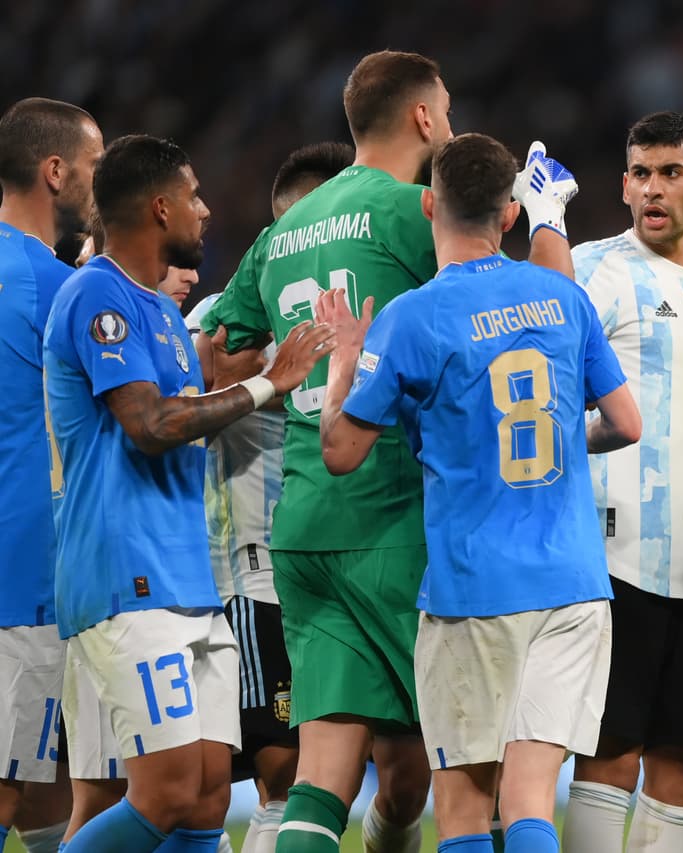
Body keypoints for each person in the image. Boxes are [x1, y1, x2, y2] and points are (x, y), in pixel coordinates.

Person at [201, 50, 574, 853]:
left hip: (304, 524)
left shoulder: (281, 232)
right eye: (446, 107)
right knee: (474, 771)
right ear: (424, 119)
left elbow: (213, 358)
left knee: (322, 774)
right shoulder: (416, 211)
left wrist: (296, 373)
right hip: (402, 526)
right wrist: (547, 220)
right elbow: (538, 307)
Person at [318, 129, 639, 853]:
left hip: (474, 588)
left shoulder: (412, 316)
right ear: (511, 215)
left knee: (463, 805)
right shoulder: (562, 297)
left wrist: (344, 363)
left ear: (430, 203)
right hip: (574, 585)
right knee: (530, 800)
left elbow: (340, 451)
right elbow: (625, 421)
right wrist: (556, 438)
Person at [44, 133, 335, 853]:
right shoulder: (97, 295)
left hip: (188, 580)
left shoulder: (169, 318)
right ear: (160, 207)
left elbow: (189, 421)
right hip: (125, 576)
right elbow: (149, 424)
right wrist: (268, 382)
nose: (207, 211)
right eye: (195, 196)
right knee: (167, 789)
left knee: (207, 798)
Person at [562, 111, 683, 853]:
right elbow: (545, 397)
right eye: (640, 172)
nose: (652, 188)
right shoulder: (590, 269)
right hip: (612, 555)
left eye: (670, 172)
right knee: (610, 752)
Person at [185, 140, 354, 853]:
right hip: (257, 582)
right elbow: (191, 377)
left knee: (326, 774)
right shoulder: (223, 315)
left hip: (338, 570)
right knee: (279, 775)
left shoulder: (364, 304)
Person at [0, 96, 103, 853]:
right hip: (25, 570)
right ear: (55, 170)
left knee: (53, 786)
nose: (103, 186)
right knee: (12, 781)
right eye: (97, 169)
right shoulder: (54, 285)